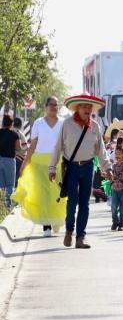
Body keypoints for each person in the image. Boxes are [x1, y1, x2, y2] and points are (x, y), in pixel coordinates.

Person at [49, 94, 112, 249]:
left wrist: (107, 167)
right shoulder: (67, 124)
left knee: (85, 203)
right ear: (77, 108)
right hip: (71, 168)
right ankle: (69, 230)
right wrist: (52, 167)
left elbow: (101, 149)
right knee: (72, 201)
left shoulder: (95, 126)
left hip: (88, 166)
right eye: (85, 106)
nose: (88, 109)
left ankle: (80, 238)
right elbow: (58, 147)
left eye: (90, 107)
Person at [14, 97, 66, 236]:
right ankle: (47, 226)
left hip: (57, 163)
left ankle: (58, 220)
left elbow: (66, 144)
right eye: (51, 105)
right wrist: (25, 163)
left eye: (56, 105)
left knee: (58, 194)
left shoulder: (63, 122)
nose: (54, 107)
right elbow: (33, 145)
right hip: (40, 163)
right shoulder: (38, 123)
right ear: (45, 106)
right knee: (44, 195)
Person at [0, 115, 20, 207]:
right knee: (9, 184)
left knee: (1, 184)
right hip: (10, 161)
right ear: (11, 124)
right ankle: (7, 204)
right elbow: (18, 148)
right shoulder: (14, 134)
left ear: (2, 123)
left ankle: (1, 205)